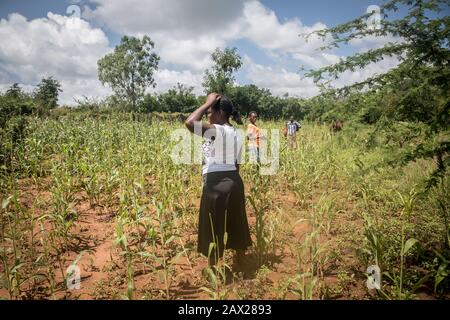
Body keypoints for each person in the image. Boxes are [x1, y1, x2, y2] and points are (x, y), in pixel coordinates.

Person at [184, 93, 252, 266]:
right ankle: (242, 264)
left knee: (212, 226)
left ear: (221, 112)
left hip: (216, 183)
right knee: (236, 222)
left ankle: (213, 269)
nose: (208, 115)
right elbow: (237, 165)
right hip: (235, 181)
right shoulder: (237, 133)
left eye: (210, 111)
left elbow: (190, 122)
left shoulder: (217, 130)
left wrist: (207, 103)